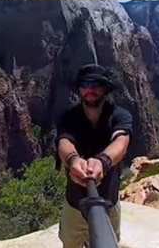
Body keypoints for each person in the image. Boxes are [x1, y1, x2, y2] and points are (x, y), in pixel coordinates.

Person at [56, 64, 133, 248]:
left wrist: (102, 161)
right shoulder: (68, 117)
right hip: (74, 205)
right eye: (85, 84)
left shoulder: (120, 116)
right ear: (79, 88)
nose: (90, 89)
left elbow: (121, 141)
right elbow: (64, 142)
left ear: (106, 88)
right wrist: (73, 159)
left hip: (109, 204)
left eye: (96, 84)